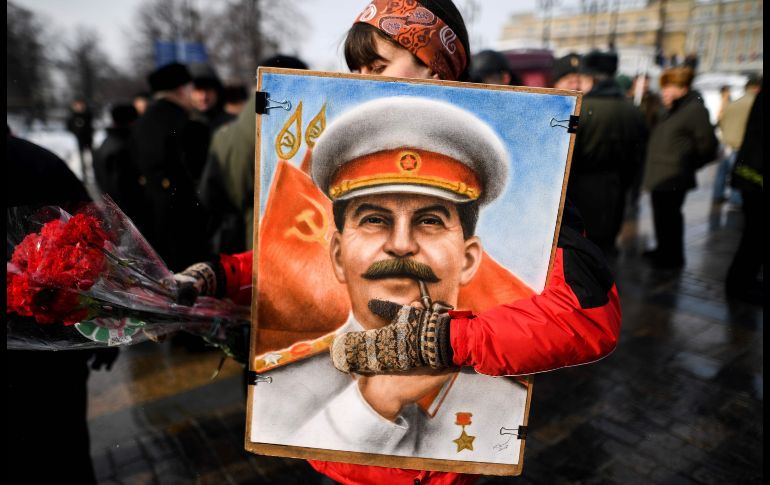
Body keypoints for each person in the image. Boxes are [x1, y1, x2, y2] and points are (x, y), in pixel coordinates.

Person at [178, 1, 621, 483]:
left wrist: (449, 340)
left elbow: (587, 313)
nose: (400, 246)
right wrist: (222, 277)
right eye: (372, 220)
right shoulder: (297, 379)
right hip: (334, 467)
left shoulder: (543, 207)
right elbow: (296, 257)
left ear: (432, 66)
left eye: (377, 66)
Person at [7, 128, 119, 484]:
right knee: (64, 453)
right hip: (54, 350)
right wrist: (104, 326)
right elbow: (96, 244)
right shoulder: (39, 161)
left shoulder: (38, 162)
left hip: (50, 343)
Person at [198, 54, 309, 255]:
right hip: (297, 241)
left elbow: (209, 196)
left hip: (245, 248)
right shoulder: (306, 127)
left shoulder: (225, 135)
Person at [128, 62, 211, 272]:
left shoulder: (142, 122)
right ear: (183, 90)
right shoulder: (186, 124)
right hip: (184, 219)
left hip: (150, 217)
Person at [569, 50, 647, 256]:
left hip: (582, 193)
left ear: (591, 79)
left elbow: (568, 154)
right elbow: (638, 156)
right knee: (607, 247)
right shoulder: (633, 110)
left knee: (583, 250)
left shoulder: (577, 110)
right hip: (617, 189)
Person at [642, 66, 719, 269]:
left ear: (682, 87)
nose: (664, 91)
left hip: (674, 175)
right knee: (661, 215)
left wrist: (686, 165)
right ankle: (662, 249)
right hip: (661, 173)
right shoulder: (672, 108)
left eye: (668, 86)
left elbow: (708, 146)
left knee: (671, 217)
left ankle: (673, 257)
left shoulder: (694, 110)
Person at [725, 85, 762, 304]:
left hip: (752, 174)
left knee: (754, 236)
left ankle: (743, 282)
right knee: (755, 236)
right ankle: (741, 285)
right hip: (756, 177)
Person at [712, 75, 762, 205]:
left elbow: (721, 122)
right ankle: (735, 201)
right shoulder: (755, 103)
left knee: (721, 172)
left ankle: (717, 195)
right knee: (738, 172)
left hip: (725, 143)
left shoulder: (733, 102)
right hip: (740, 144)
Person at [92, 103, 143, 215]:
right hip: (128, 212)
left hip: (112, 207)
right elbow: (123, 186)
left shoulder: (106, 142)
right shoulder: (124, 146)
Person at [66, 97, 94, 180]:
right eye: (77, 105)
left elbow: (89, 125)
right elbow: (69, 127)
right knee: (82, 158)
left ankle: (94, 173)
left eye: (80, 105)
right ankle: (84, 174)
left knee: (91, 157)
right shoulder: (72, 117)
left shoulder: (87, 115)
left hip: (88, 139)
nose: (79, 107)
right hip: (79, 140)